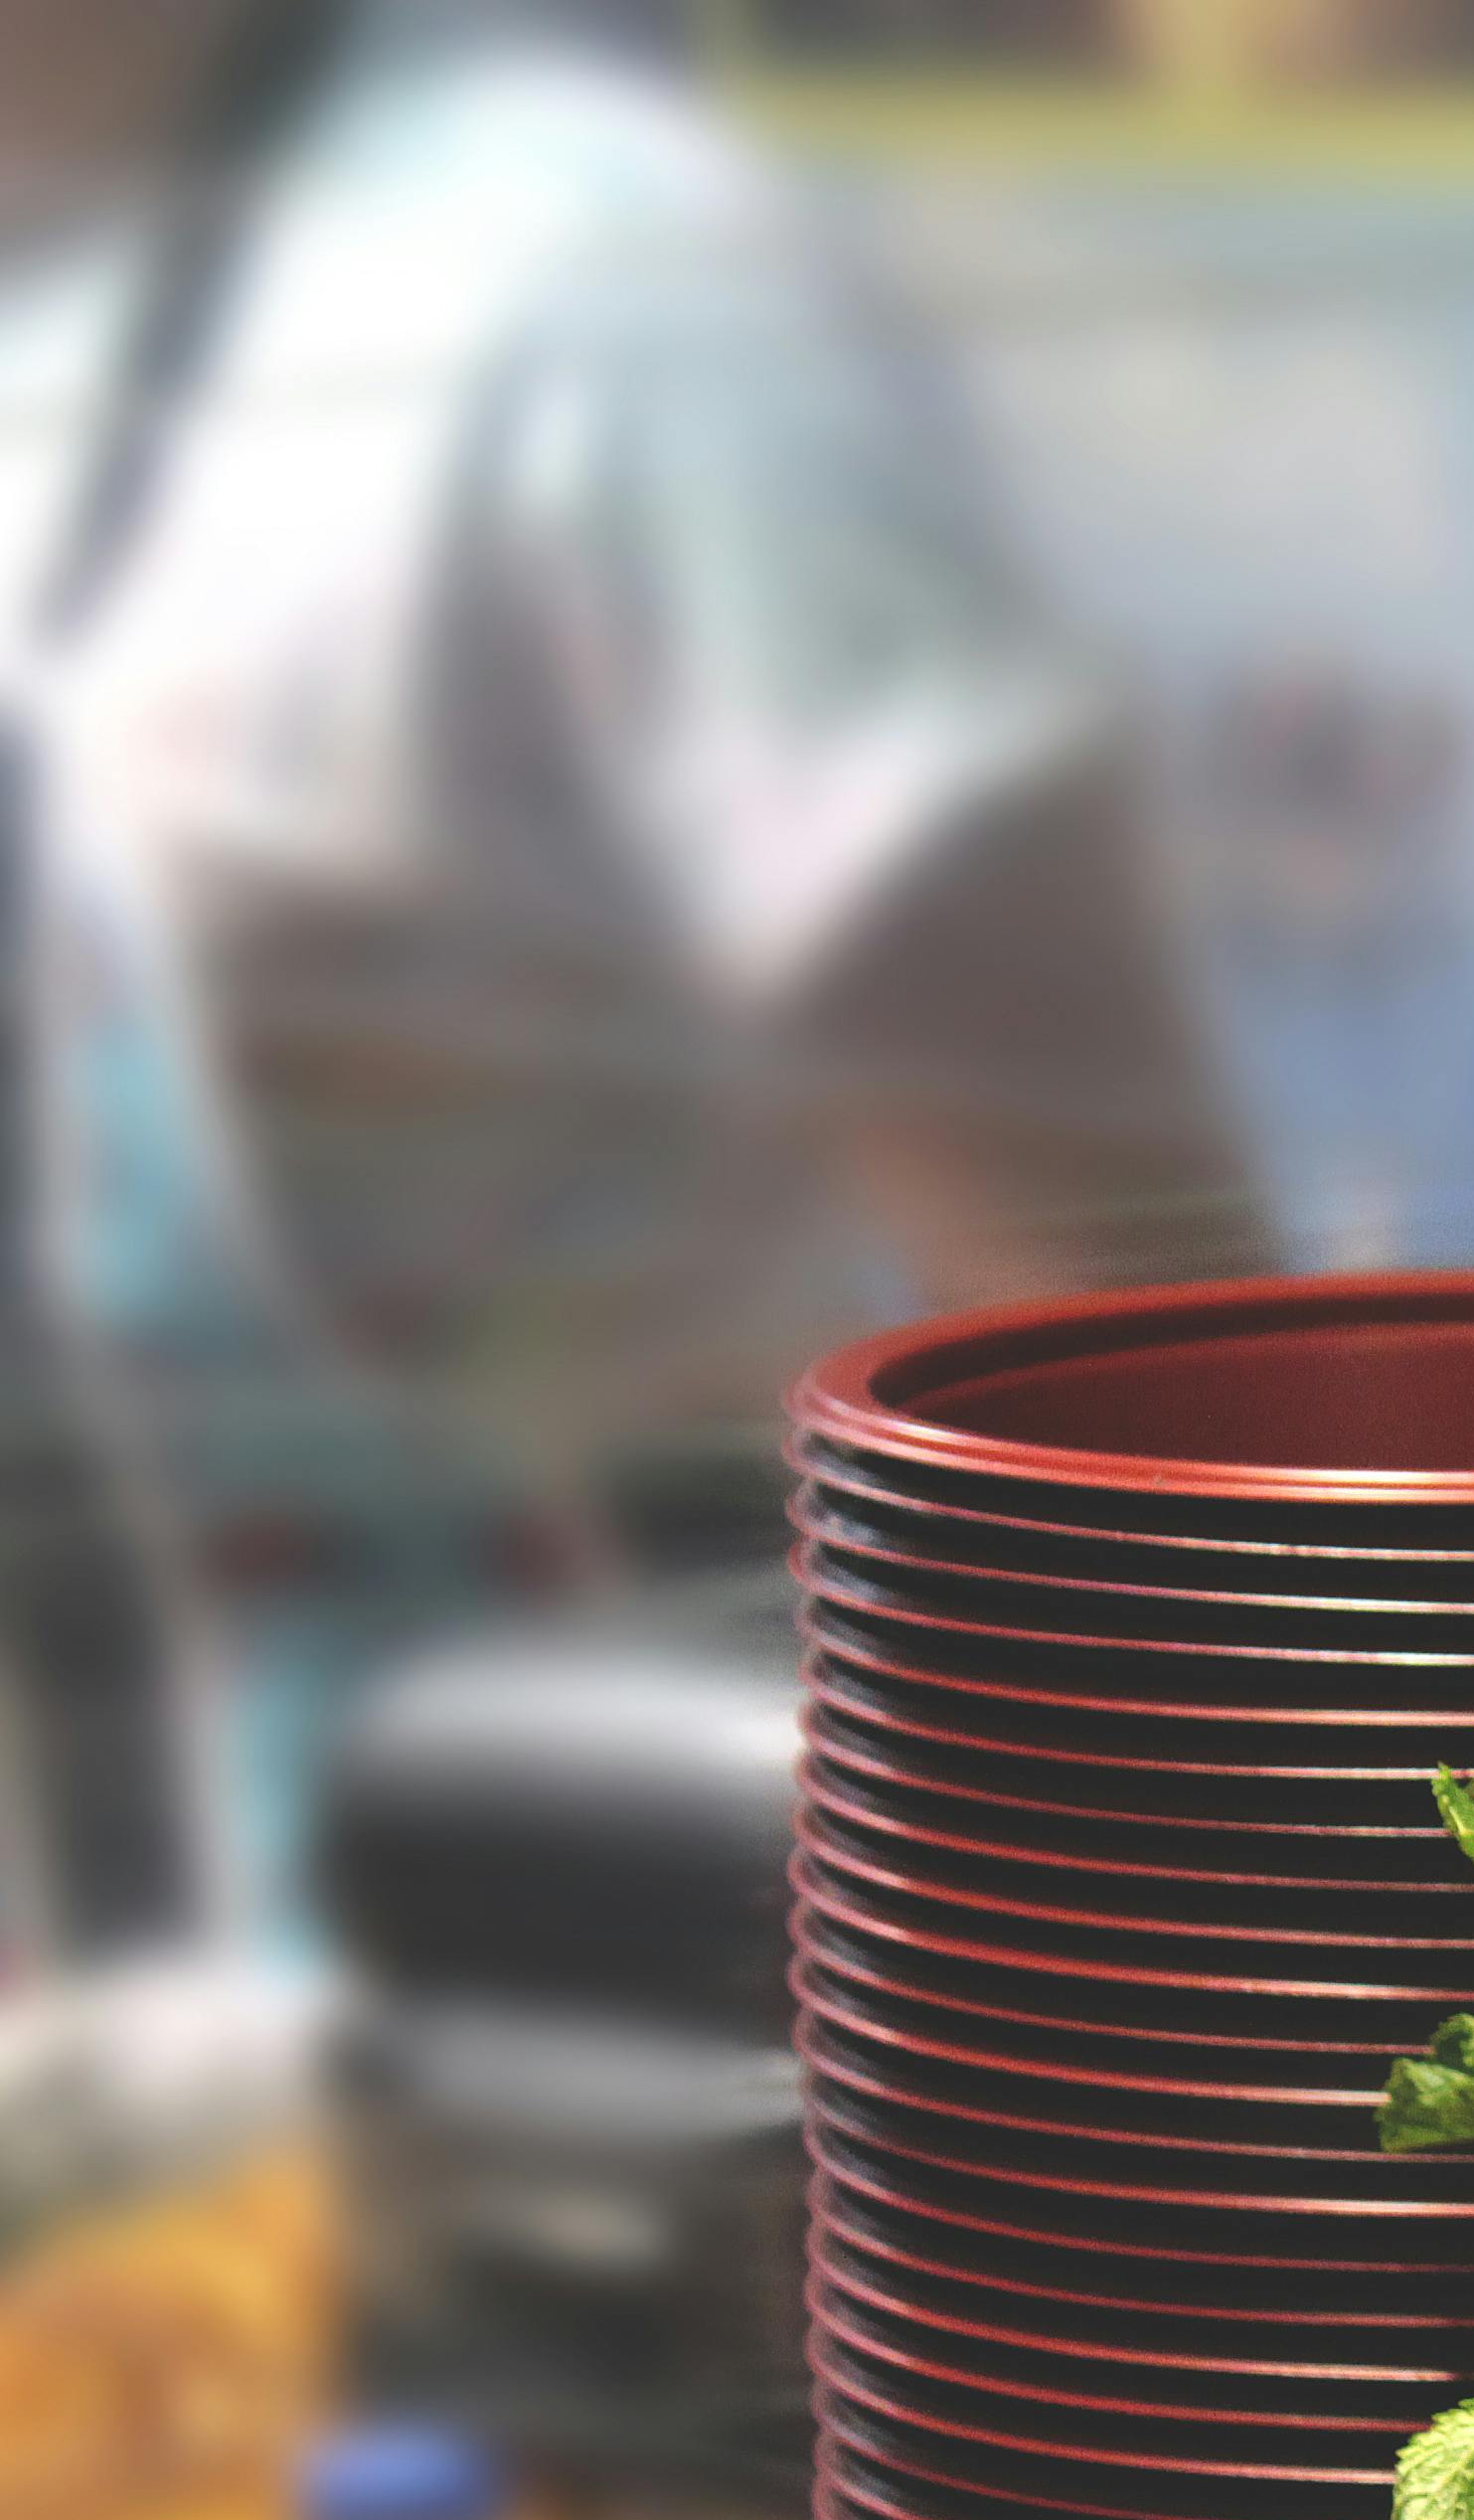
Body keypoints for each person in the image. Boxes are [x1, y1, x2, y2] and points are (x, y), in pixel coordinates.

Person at [0, 0, 1265, 1953]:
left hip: (706, 2016)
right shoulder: (67, 317)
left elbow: (1152, 1379)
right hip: (246, 2058)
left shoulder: (593, 295)